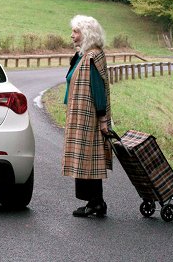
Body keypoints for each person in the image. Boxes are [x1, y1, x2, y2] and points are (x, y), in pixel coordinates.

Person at [62, 15, 112, 217]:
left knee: (89, 160)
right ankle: (94, 202)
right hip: (81, 115)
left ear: (87, 34)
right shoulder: (84, 55)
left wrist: (102, 120)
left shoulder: (93, 56)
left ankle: (96, 202)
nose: (72, 35)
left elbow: (98, 89)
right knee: (85, 160)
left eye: (76, 31)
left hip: (90, 116)